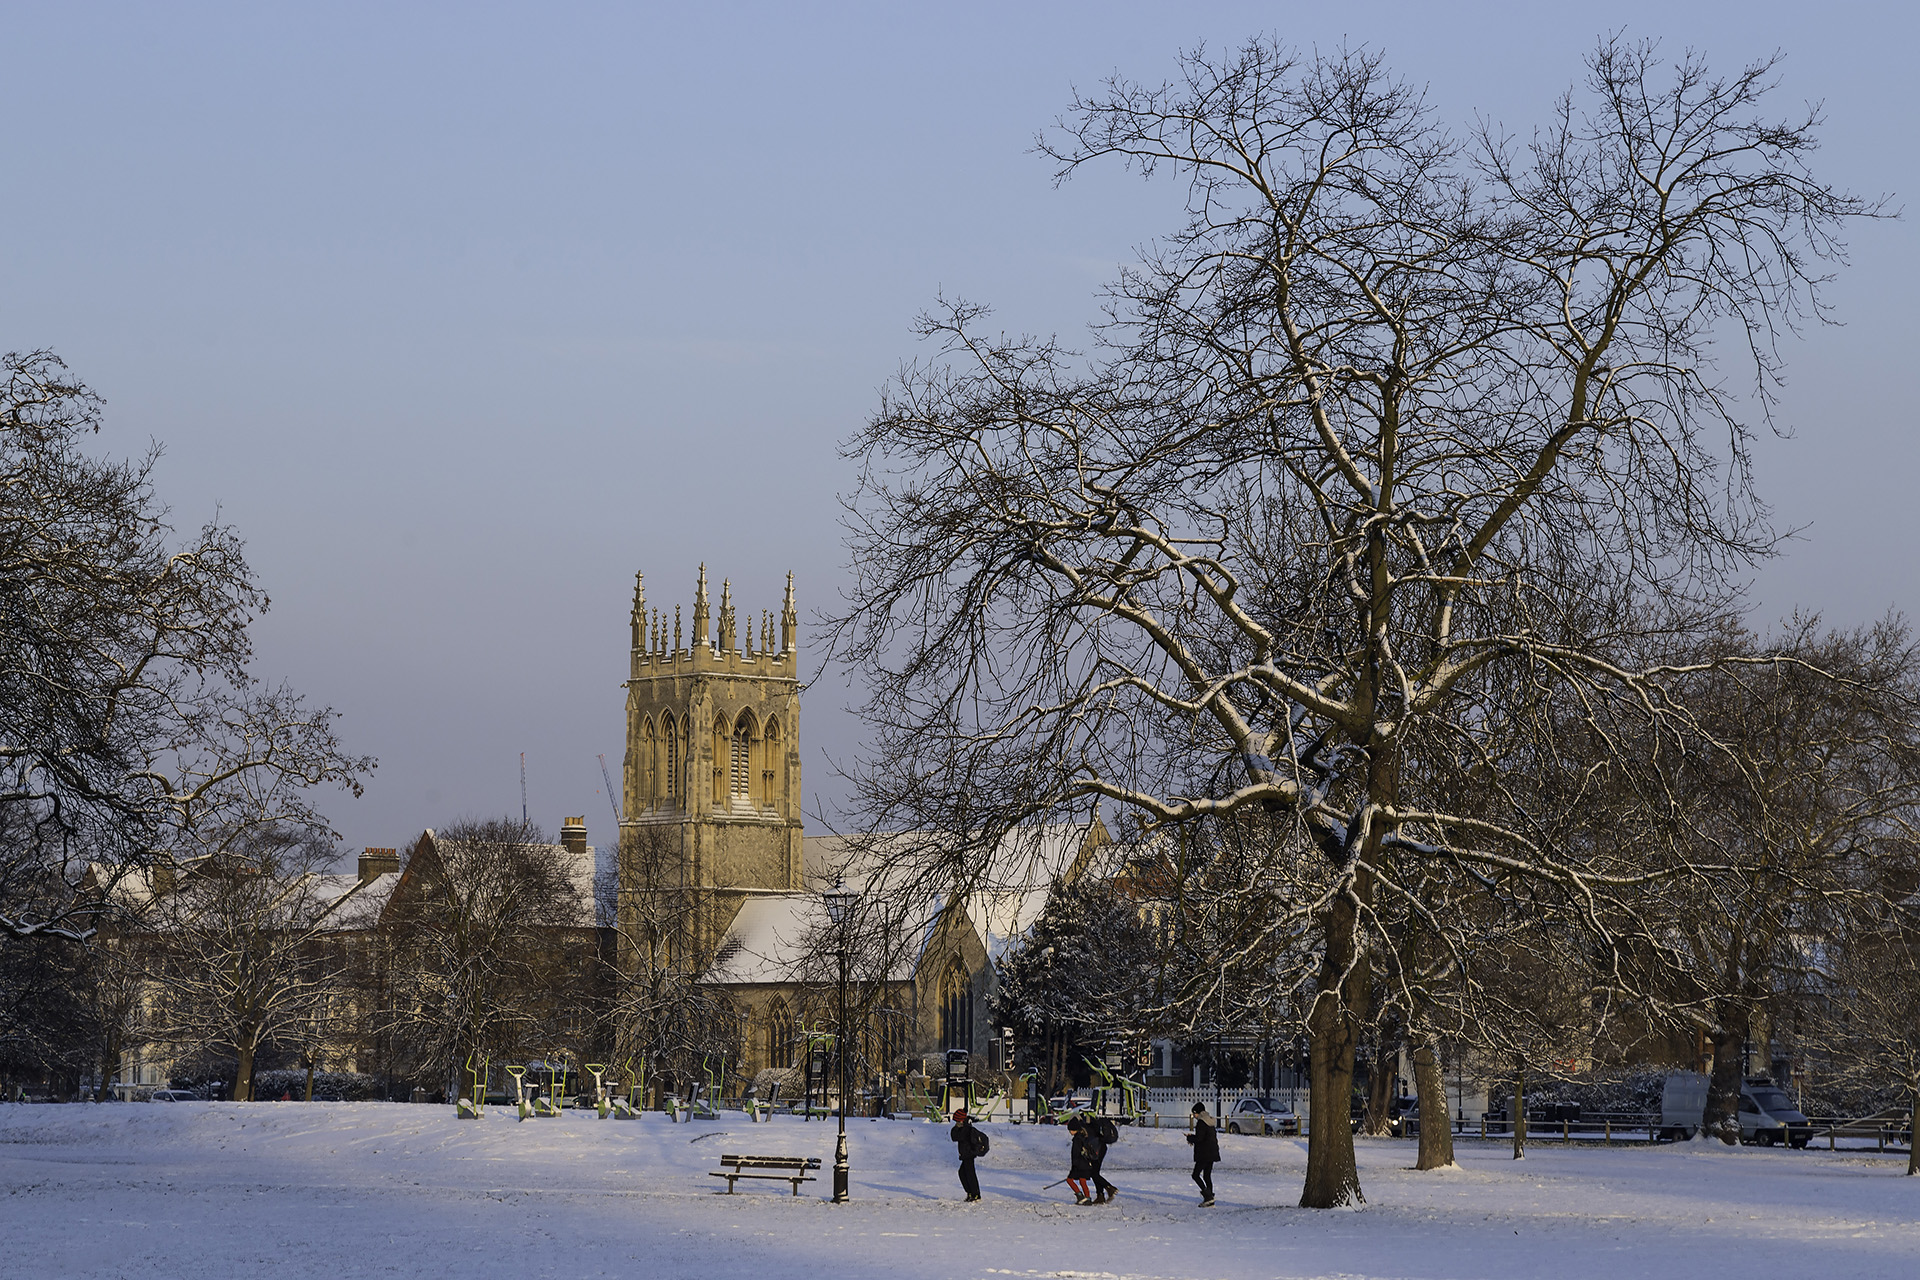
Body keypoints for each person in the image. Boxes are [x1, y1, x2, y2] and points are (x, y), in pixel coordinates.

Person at [1186, 1102, 1219, 1206]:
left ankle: (1208, 1197)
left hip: (1204, 1153)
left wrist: (1190, 1138)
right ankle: (1210, 1198)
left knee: (1195, 1175)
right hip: (1212, 1152)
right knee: (1207, 1176)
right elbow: (1205, 1136)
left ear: (1198, 1113)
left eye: (1194, 1114)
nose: (1194, 1116)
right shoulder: (1209, 1121)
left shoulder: (1201, 1122)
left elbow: (1199, 1138)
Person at [949, 1108, 986, 1201]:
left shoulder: (966, 1129)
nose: (956, 1123)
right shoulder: (963, 1127)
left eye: (957, 1121)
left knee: (969, 1174)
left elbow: (956, 1136)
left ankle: (975, 1194)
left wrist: (958, 1127)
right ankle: (971, 1193)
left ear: (961, 1120)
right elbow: (954, 1136)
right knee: (962, 1173)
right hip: (966, 1154)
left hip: (969, 1154)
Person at [1066, 1115, 1099, 1205]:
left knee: (1069, 1180)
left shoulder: (1077, 1139)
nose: (1070, 1132)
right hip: (1085, 1163)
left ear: (1075, 1129)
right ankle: (1087, 1198)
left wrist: (1074, 1165)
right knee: (1082, 1181)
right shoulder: (1083, 1137)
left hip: (1079, 1164)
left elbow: (1075, 1153)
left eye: (1071, 1130)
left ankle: (1080, 1196)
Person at [1088, 1113, 1118, 1204]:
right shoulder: (1096, 1119)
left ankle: (1109, 1188)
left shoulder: (1090, 1123)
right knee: (1094, 1172)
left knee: (1093, 1173)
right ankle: (1100, 1196)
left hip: (1097, 1148)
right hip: (1101, 1147)